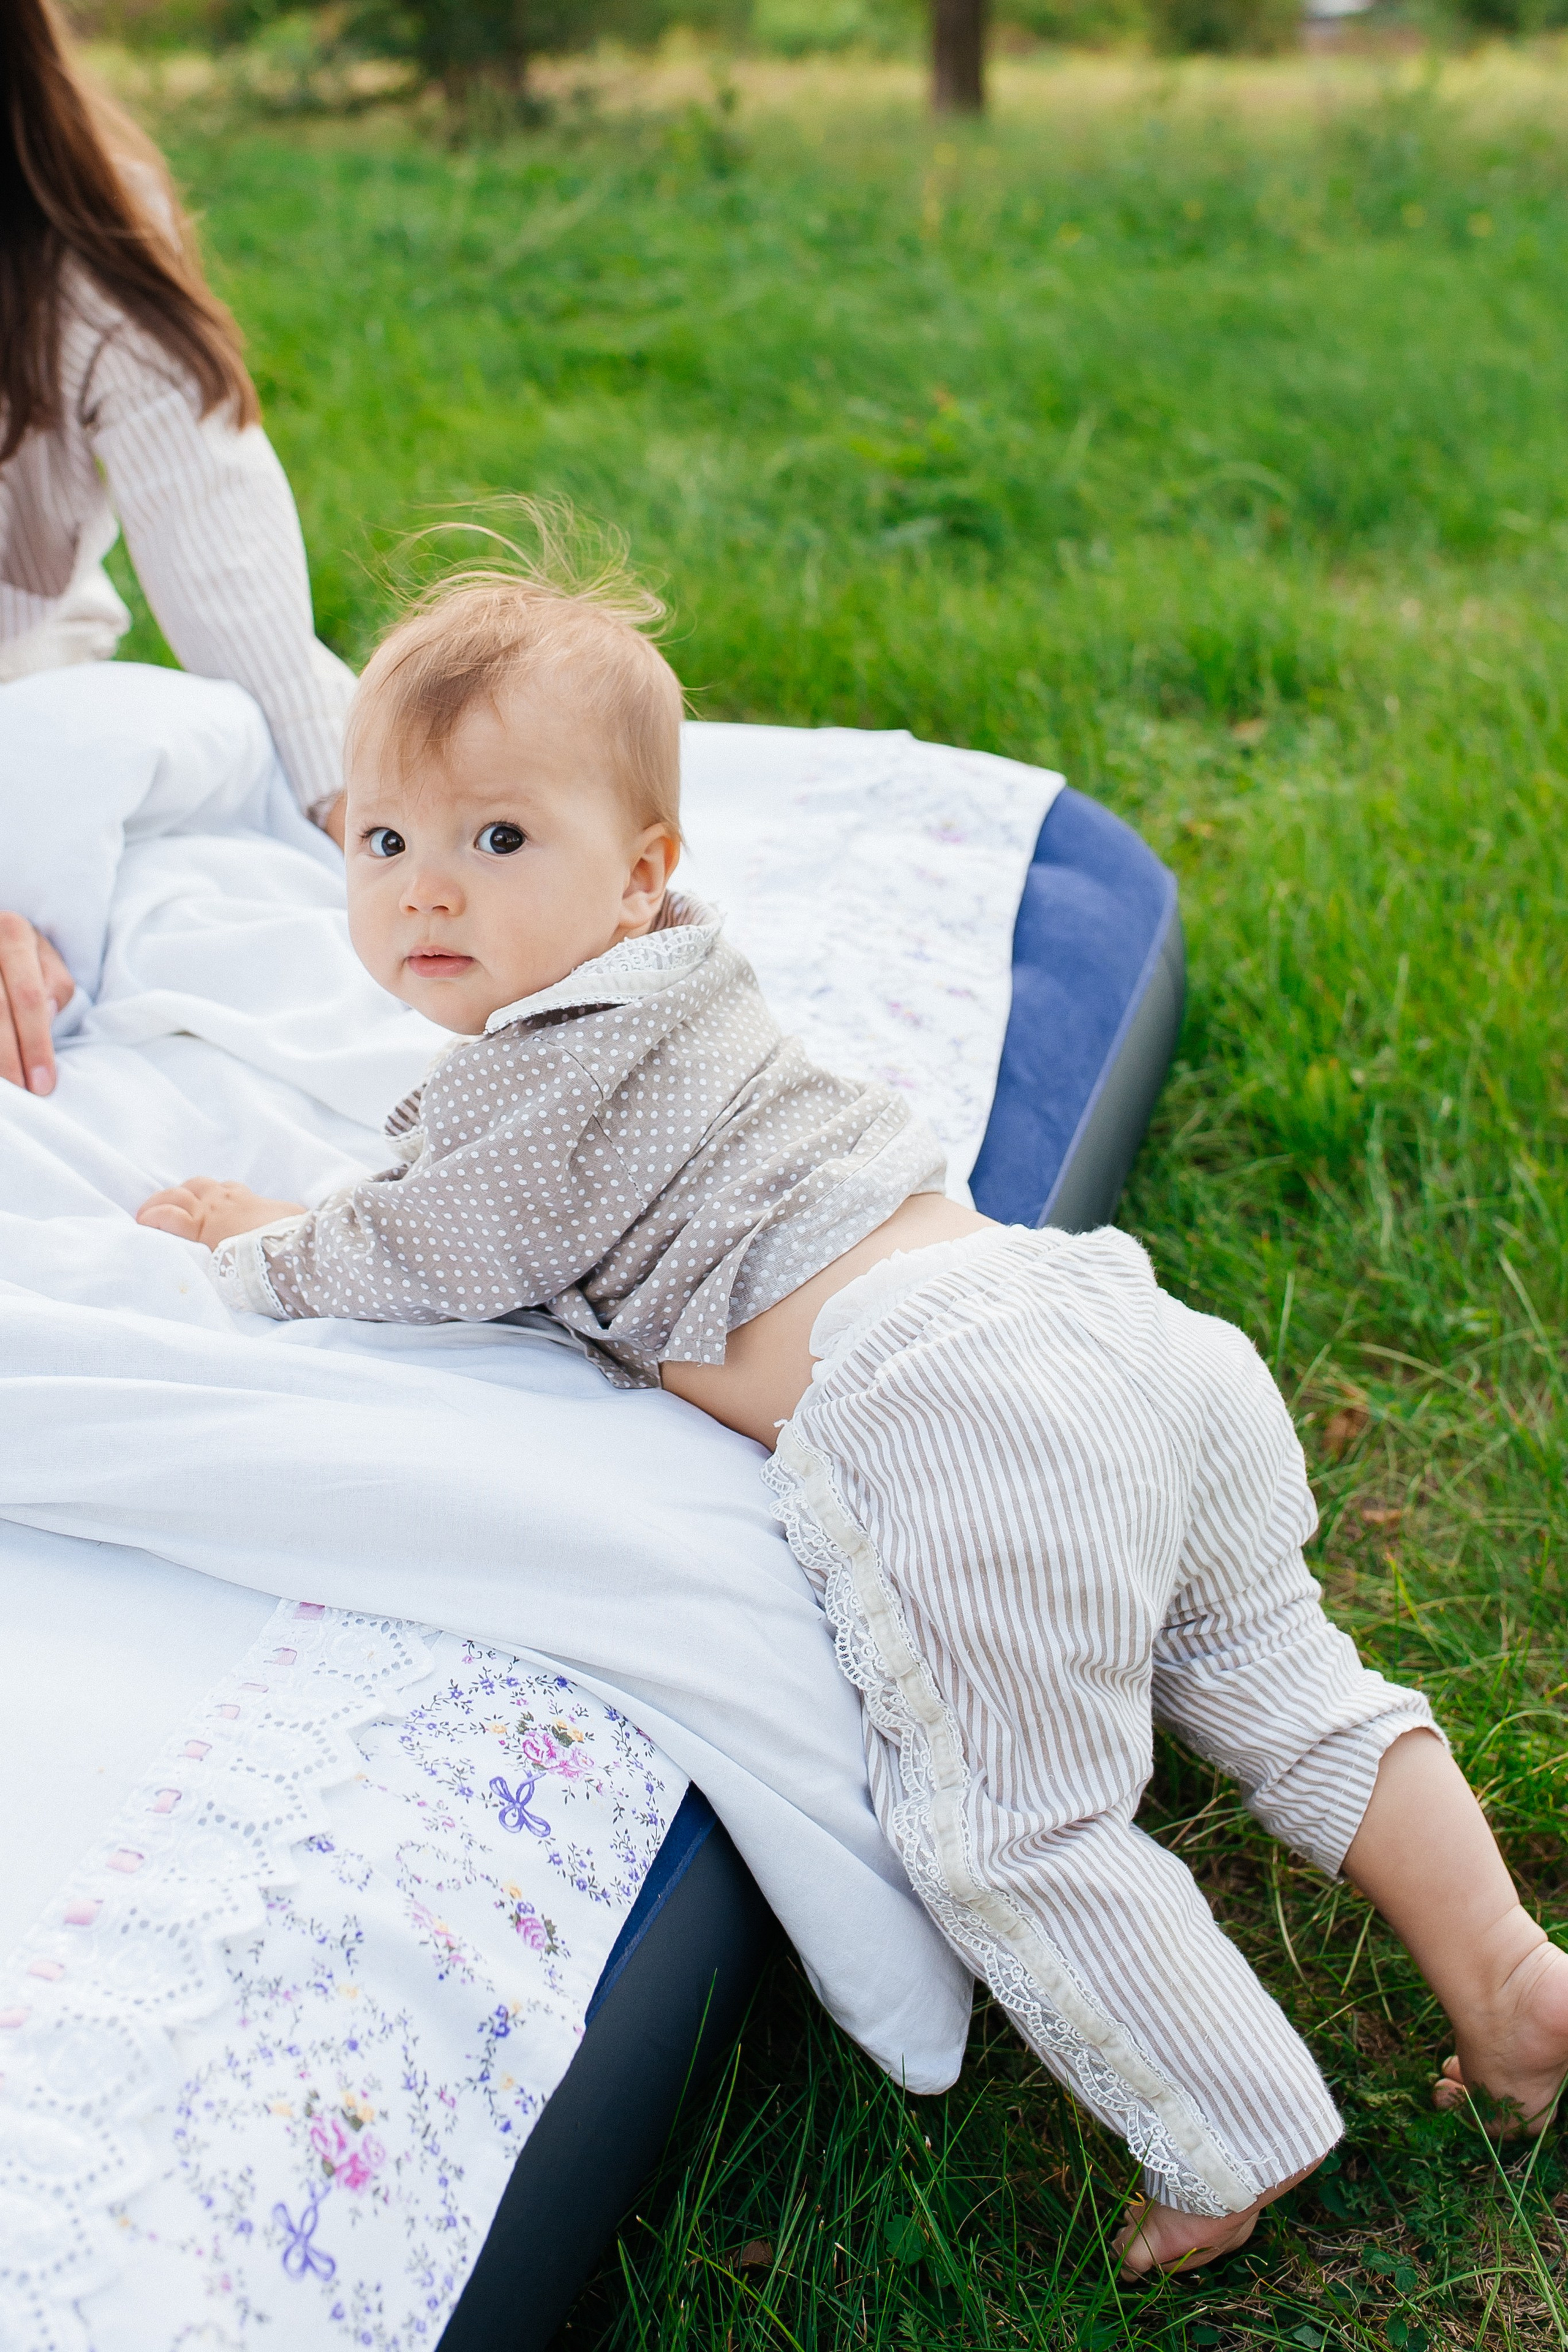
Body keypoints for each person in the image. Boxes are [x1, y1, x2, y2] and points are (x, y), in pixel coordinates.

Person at [136, 567, 1568, 2276]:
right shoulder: (686, 980)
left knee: (1010, 1822)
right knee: (1279, 1675)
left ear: (644, 870)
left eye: (499, 843)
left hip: (953, 1408)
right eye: (383, 845)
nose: (427, 891)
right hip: (1109, 1327)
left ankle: (1229, 2128)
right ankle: (1510, 1978)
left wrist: (254, 1246)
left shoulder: (532, 1081)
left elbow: (420, 1247)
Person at [0, 0, 355, 1099]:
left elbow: (238, 591)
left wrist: (383, 829)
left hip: (25, 691)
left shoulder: (78, 238)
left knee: (239, 936)